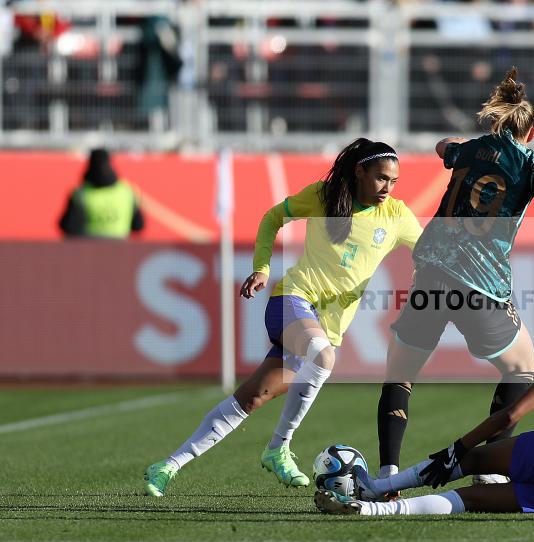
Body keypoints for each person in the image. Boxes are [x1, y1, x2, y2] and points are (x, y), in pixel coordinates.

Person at [143, 138, 422, 497]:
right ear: (360, 171)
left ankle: (167, 465)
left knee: (251, 398)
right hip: (291, 301)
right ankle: (279, 447)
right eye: (382, 178)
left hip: (324, 328)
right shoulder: (324, 196)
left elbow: (430, 251)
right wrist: (262, 267)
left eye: (394, 181)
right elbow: (273, 217)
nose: (388, 188)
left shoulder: (396, 216)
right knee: (324, 357)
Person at [375, 67, 534, 486]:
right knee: (522, 366)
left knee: (400, 370)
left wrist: (452, 146)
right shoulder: (531, 161)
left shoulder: (472, 149)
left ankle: (388, 468)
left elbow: (444, 146)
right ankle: (489, 469)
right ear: (530, 131)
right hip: (479, 283)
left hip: (433, 273)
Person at [315, 317, 534, 516]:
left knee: (470, 461)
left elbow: (511, 415)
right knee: (472, 501)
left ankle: (376, 489)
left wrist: (460, 446)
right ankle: (370, 511)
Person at [59, 148, 145, 239]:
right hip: (120, 246)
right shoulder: (128, 191)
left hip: (90, 248)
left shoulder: (80, 194)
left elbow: (68, 226)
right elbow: (138, 225)